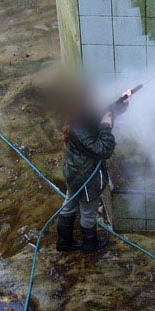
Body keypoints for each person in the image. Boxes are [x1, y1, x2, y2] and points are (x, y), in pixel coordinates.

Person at [56, 88, 133, 253]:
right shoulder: (79, 128)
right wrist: (106, 125)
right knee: (88, 212)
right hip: (85, 177)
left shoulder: (81, 116)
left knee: (69, 205)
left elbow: (103, 114)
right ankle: (89, 246)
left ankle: (64, 243)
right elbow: (103, 149)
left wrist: (120, 104)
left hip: (75, 174)